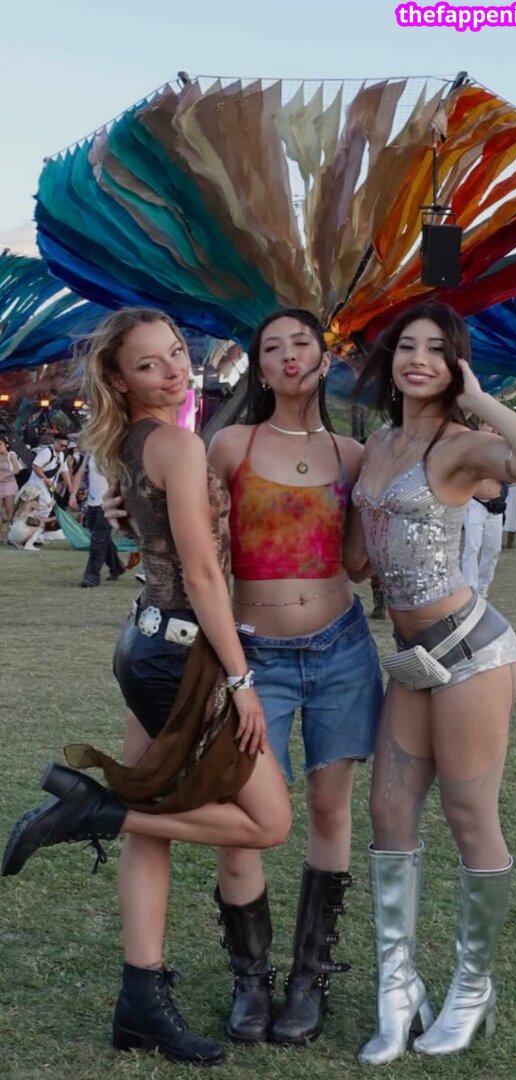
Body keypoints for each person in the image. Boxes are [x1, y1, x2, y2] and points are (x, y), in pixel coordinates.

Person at [2, 308, 291, 1067]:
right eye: (149, 364)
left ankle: (140, 1000)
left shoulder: (132, 442)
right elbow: (202, 574)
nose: (172, 371)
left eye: (175, 354)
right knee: (268, 821)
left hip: (149, 640)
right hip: (181, 655)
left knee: (156, 823)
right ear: (118, 379)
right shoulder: (175, 444)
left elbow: (156, 539)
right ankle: (95, 810)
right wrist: (242, 680)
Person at [105, 307, 383, 1046]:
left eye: (302, 344)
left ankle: (309, 980)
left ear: (325, 359)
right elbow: (181, 526)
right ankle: (250, 981)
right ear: (255, 367)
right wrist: (121, 508)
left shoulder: (354, 453)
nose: (289, 356)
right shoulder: (228, 443)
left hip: (341, 648)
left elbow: (358, 562)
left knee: (329, 811)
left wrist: (407, 503)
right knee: (244, 823)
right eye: (272, 347)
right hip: (252, 655)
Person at [346, 300, 516, 1063]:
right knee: (387, 810)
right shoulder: (378, 444)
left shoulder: (460, 445)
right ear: (388, 360)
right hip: (412, 657)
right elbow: (355, 559)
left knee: (469, 814)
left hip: (473, 652)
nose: (419, 359)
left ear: (455, 365)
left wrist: (479, 401)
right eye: (407, 346)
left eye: (437, 350)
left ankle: (473, 990)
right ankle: (397, 990)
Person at [461, 423, 508, 597]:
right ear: (480, 425)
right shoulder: (471, 448)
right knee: (472, 546)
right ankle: (471, 588)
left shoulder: (502, 448)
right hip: (475, 502)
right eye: (489, 425)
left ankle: (483, 587)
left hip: (496, 503)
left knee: (493, 549)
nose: (494, 429)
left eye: (495, 426)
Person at [70, 451, 125, 587]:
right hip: (92, 504)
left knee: (98, 541)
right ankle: (116, 566)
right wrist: (73, 495)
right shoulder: (90, 454)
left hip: (106, 504)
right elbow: (79, 474)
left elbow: (116, 479)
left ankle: (91, 576)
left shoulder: (110, 453)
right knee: (102, 538)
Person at [6, 484, 46, 550]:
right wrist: (50, 504)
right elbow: (43, 508)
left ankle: (17, 543)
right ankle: (29, 545)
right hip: (20, 534)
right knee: (41, 525)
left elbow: (9, 522)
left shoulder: (18, 506)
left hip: (12, 536)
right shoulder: (32, 503)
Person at [0, 435, 21, 533]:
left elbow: (17, 469)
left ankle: (10, 531)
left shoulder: (11, 455)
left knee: (9, 509)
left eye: (0, 444)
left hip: (9, 484)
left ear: (6, 445)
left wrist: (5, 475)